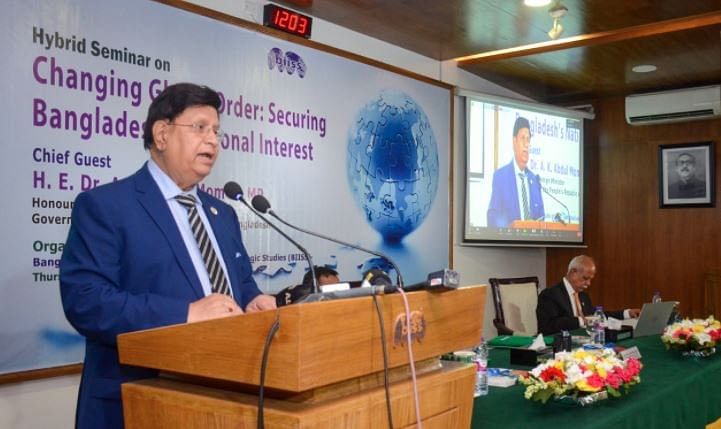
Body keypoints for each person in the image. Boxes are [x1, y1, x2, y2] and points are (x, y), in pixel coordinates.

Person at [59, 82, 277, 429]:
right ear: (161, 134)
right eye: (200, 128)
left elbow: (242, 283)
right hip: (141, 400)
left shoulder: (223, 213)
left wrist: (252, 300)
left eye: (217, 131)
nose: (213, 140)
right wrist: (186, 313)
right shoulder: (107, 206)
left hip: (226, 398)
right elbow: (87, 302)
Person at [536, 255, 640, 335]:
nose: (589, 283)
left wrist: (626, 313)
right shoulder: (550, 295)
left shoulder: (583, 296)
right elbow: (548, 326)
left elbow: (597, 317)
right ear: (573, 273)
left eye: (591, 279)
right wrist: (583, 320)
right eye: (585, 278)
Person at [486, 116, 545, 227]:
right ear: (514, 141)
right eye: (523, 138)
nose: (527, 144)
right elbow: (492, 216)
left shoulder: (535, 180)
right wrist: (510, 228)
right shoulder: (501, 176)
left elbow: (541, 218)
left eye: (528, 140)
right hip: (509, 243)